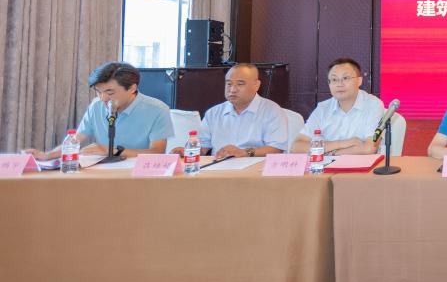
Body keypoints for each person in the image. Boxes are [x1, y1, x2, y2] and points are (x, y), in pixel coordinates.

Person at [23, 62, 173, 160]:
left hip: (139, 175)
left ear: (132, 88)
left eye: (110, 92)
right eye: (98, 92)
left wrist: (111, 150)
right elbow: (74, 141)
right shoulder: (96, 106)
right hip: (103, 172)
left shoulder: (157, 110)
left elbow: (157, 153)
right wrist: (47, 155)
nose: (103, 98)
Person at [178, 63, 288, 158]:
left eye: (240, 84)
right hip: (219, 168)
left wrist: (244, 152)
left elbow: (276, 149)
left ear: (256, 85)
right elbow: (203, 147)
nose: (232, 89)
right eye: (229, 84)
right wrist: (187, 151)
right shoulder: (213, 113)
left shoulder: (272, 111)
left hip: (255, 170)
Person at [291, 58, 386, 155]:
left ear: (359, 81)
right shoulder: (323, 108)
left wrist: (331, 153)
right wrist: (343, 143)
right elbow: (297, 147)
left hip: (362, 164)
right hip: (327, 164)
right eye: (334, 79)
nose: (339, 84)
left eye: (345, 78)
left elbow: (369, 148)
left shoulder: (373, 104)